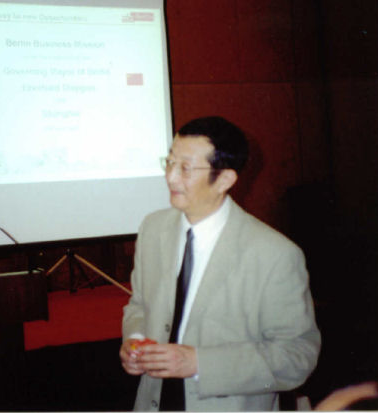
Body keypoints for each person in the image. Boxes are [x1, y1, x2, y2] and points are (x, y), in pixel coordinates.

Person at [120, 116, 321, 411]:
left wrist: (199, 363)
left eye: (185, 168)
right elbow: (138, 305)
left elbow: (296, 358)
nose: (171, 177)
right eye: (169, 162)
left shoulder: (274, 254)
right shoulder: (153, 229)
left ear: (225, 180)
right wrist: (135, 339)